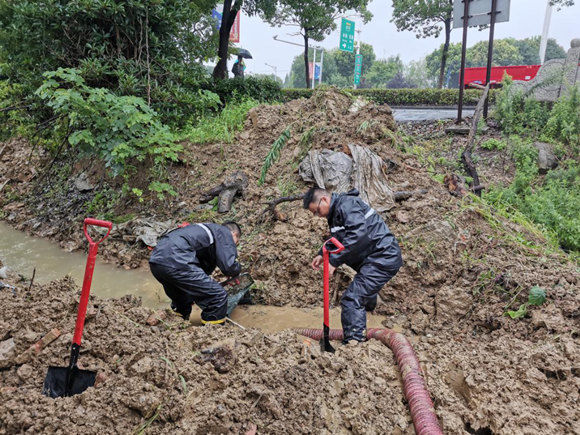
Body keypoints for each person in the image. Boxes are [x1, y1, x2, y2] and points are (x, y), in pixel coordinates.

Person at [304, 188, 402, 343]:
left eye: (317, 211)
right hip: (372, 258)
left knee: (351, 298)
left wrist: (334, 261)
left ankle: (354, 343)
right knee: (362, 291)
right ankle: (368, 310)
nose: (318, 215)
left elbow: (358, 235)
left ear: (324, 200)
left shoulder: (347, 205)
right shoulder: (337, 212)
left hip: (382, 257)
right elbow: (338, 239)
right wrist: (322, 254)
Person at [149, 221, 242, 324]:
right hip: (177, 259)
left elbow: (202, 267)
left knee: (182, 298)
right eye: (236, 243)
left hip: (156, 262)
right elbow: (229, 266)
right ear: (233, 234)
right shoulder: (224, 232)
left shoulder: (202, 231)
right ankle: (212, 335)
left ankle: (176, 325)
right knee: (217, 296)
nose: (234, 246)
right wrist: (236, 272)